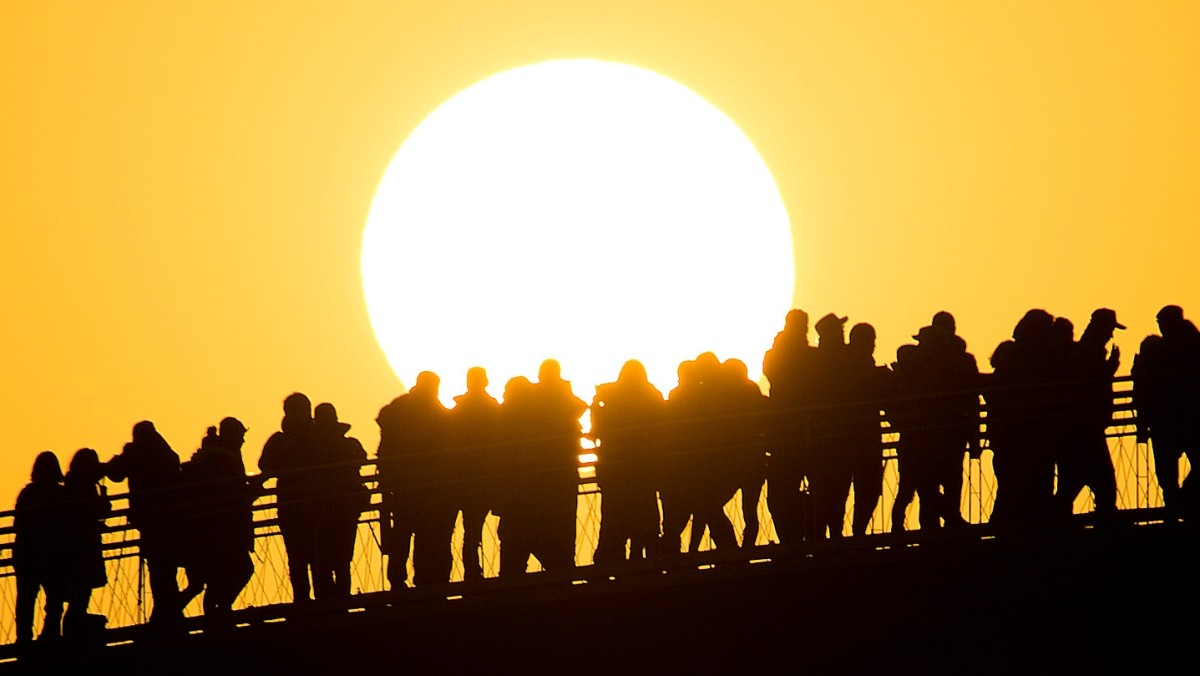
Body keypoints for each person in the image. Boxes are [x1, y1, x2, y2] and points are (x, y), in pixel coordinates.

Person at [375, 372, 453, 588]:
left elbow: (385, 438)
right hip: (425, 486)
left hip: (402, 485)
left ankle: (398, 579)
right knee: (422, 534)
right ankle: (421, 580)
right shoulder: (434, 410)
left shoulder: (400, 408)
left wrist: (386, 478)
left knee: (402, 531)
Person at [105, 420, 185, 625]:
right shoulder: (166, 453)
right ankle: (170, 614)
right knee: (167, 570)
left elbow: (115, 473)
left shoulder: (136, 453)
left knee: (158, 570)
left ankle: (165, 615)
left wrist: (122, 454)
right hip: (170, 520)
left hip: (149, 520)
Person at [179, 418, 257, 620]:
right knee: (241, 569)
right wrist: (254, 490)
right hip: (224, 529)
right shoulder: (224, 460)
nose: (243, 442)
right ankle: (218, 611)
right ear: (232, 436)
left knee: (214, 578)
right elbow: (233, 495)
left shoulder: (212, 456)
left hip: (212, 529)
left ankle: (214, 613)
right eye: (241, 437)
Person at [591, 359, 667, 565]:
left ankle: (609, 566)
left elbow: (597, 430)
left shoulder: (610, 396)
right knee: (647, 520)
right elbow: (662, 425)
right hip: (645, 470)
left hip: (614, 469)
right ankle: (647, 564)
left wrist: (597, 405)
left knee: (612, 522)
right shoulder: (652, 395)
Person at [1055, 309, 1123, 517]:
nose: (1111, 334)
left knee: (1073, 481)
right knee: (1102, 482)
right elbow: (1088, 383)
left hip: (1080, 428)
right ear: (1101, 327)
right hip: (1086, 428)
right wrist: (1110, 368)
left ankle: (1058, 520)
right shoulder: (1090, 351)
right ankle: (1104, 521)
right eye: (1110, 329)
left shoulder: (1085, 349)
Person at [1133, 305, 1200, 509]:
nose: (1162, 327)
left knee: (1167, 472)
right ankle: (1182, 504)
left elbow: (1142, 387)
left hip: (1170, 419)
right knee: (1168, 472)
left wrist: (1142, 424)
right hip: (1182, 418)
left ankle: (1177, 505)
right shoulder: (1192, 343)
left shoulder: (1159, 349)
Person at [258, 393, 320, 604]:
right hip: (303, 506)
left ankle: (305, 601)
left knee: (301, 557)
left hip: (299, 506)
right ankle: (315, 600)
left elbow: (264, 467)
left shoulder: (286, 439)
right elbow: (265, 465)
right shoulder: (313, 435)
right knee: (309, 556)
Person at [762, 309, 817, 543]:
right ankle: (806, 538)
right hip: (806, 433)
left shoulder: (776, 354)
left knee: (779, 496)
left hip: (786, 434)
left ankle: (791, 540)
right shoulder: (810, 356)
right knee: (808, 492)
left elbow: (770, 373)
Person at [448, 367, 502, 581]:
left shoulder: (457, 411)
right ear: (486, 382)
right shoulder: (493, 411)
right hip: (487, 476)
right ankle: (480, 570)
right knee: (477, 528)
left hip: (461, 477)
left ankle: (471, 571)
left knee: (468, 531)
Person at [311, 403, 369, 598]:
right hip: (347, 508)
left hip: (321, 509)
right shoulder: (350, 445)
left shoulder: (314, 450)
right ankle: (342, 597)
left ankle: (325, 601)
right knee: (343, 558)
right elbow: (361, 459)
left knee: (322, 559)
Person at [13, 451, 66, 644]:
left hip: (26, 554)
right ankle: (50, 635)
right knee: (55, 598)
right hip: (53, 554)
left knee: (26, 599)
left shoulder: (27, 493)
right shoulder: (61, 494)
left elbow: (18, 524)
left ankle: (24, 639)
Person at [60, 448, 112, 639]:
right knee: (81, 594)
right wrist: (104, 496)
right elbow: (101, 512)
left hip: (73, 550)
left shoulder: (70, 485)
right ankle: (74, 633)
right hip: (86, 549)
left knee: (77, 596)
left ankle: (69, 633)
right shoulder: (86, 487)